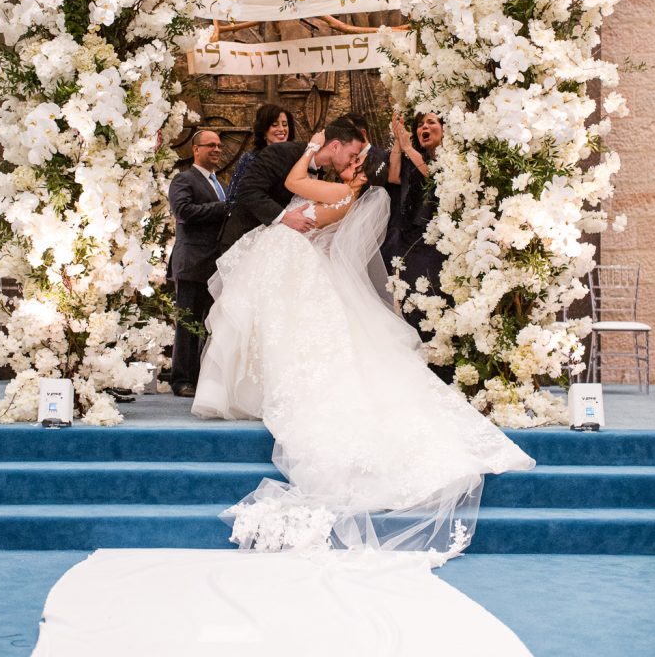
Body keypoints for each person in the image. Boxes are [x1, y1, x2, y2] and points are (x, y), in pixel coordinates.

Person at [193, 130, 534, 562]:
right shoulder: (346, 198)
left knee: (285, 333)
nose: (347, 162)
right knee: (291, 334)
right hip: (293, 258)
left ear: (355, 171)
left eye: (354, 160)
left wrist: (313, 148)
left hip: (290, 258)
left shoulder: (338, 192)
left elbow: (296, 183)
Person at [218, 118, 365, 252]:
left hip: (276, 249)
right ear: (335, 147)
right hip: (243, 239)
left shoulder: (320, 171)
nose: (352, 161)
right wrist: (285, 217)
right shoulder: (281, 152)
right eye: (352, 155)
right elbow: (247, 190)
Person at [167, 129, 228, 398]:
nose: (216, 149)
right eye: (210, 145)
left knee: (209, 325)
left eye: (219, 145)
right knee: (187, 325)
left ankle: (202, 378)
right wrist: (224, 208)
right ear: (196, 150)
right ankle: (182, 380)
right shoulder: (184, 179)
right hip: (191, 263)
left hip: (214, 265)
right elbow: (184, 212)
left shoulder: (220, 184)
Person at [387, 111, 448, 350]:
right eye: (420, 124)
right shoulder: (415, 160)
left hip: (435, 245)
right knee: (410, 302)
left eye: (431, 122)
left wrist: (408, 149)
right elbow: (393, 176)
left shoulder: (453, 160)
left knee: (432, 302)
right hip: (410, 241)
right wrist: (398, 142)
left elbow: (437, 178)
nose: (425, 127)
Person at [226, 104, 296, 205]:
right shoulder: (250, 158)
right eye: (274, 125)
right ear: (263, 131)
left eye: (285, 124)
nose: (281, 129)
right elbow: (233, 198)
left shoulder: (297, 157)